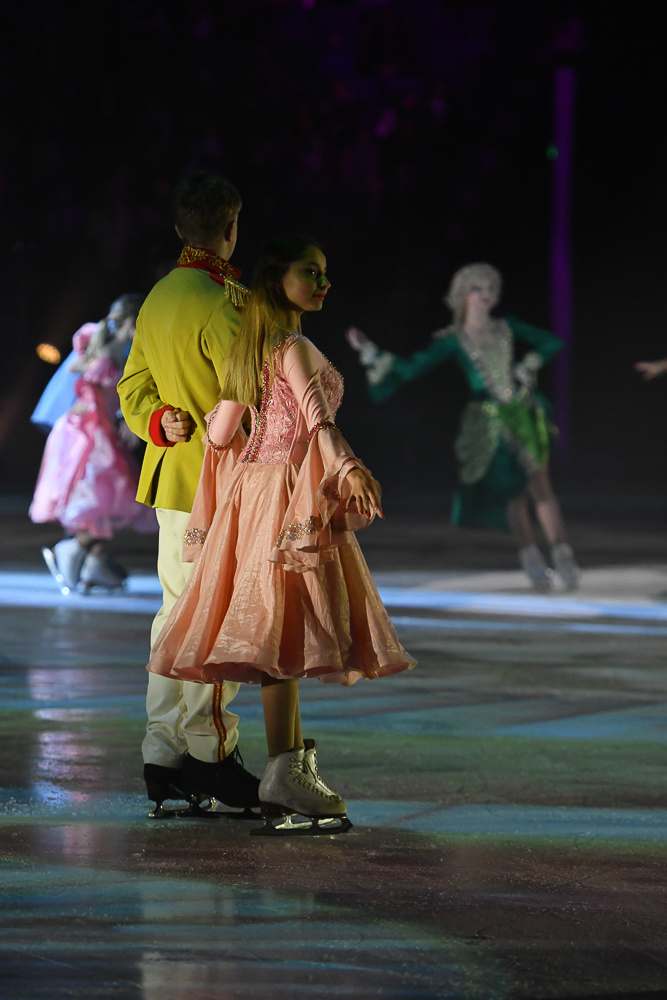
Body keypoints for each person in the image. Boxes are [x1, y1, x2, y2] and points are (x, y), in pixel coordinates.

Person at [147, 235, 415, 833]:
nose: (323, 283)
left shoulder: (253, 348)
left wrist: (230, 480)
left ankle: (285, 771)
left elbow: (219, 434)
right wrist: (348, 469)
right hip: (287, 490)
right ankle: (285, 772)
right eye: (310, 273)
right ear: (277, 279)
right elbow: (318, 421)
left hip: (255, 489)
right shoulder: (291, 344)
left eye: (323, 273)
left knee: (278, 631)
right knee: (283, 628)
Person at [117, 171, 260, 818]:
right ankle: (209, 751)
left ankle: (162, 752)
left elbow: (132, 387)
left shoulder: (157, 298)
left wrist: (158, 420)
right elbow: (256, 399)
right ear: (231, 229)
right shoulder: (224, 301)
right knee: (213, 617)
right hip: (220, 485)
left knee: (175, 613)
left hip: (174, 480)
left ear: (180, 229)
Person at [346, 262, 581, 591]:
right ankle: (531, 558)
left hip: (523, 414)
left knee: (541, 486)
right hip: (490, 422)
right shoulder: (453, 340)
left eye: (489, 288)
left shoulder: (507, 326)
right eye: (477, 288)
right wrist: (371, 352)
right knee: (513, 495)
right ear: (464, 295)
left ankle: (563, 555)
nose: (485, 294)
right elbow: (412, 369)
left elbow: (552, 342)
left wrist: (530, 363)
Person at [30, 294, 154, 592]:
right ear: (130, 321)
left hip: (100, 428)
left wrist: (124, 418)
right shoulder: (95, 341)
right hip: (84, 431)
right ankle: (74, 550)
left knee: (109, 493)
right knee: (101, 490)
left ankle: (95, 562)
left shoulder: (126, 350)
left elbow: (121, 391)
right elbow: (84, 377)